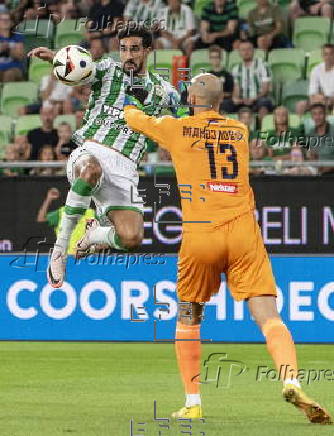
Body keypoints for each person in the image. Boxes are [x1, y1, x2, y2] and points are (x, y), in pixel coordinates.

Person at [120, 73, 332, 423]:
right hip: (243, 232)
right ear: (221, 101)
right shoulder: (239, 131)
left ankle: (192, 402)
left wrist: (136, 98)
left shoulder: (177, 129)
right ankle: (290, 379)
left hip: (201, 234)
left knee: (189, 315)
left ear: (192, 99)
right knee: (269, 317)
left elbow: (132, 117)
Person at [28, 25, 181, 288]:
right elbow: (81, 66)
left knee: (131, 239)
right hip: (90, 152)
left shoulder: (164, 90)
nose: (128, 55)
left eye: (134, 49)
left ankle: (94, 234)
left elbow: (186, 114)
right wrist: (56, 56)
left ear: (148, 50)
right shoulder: (108, 69)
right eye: (123, 49)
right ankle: (60, 250)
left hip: (125, 170)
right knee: (90, 171)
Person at [37, 187, 97, 255]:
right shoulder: (62, 212)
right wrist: (48, 199)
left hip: (87, 257)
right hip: (64, 257)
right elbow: (41, 218)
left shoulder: (93, 214)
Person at [232, 39, 273, 118]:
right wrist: (236, 99)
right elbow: (236, 89)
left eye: (248, 49)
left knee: (264, 104)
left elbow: (265, 89)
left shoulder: (263, 65)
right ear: (239, 52)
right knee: (224, 105)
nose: (246, 52)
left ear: (253, 51)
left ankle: (262, 129)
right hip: (242, 101)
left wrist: (253, 99)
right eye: (243, 50)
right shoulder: (236, 69)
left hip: (259, 99)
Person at [307, 103, 334, 174]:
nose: (317, 117)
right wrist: (312, 157)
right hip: (316, 171)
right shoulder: (311, 133)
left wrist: (328, 168)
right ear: (312, 117)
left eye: (320, 113)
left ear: (326, 115)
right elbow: (312, 157)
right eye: (314, 114)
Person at [207, 45, 234, 113]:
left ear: (221, 58)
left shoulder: (227, 75)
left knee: (225, 103)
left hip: (224, 101)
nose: (215, 60)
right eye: (212, 57)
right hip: (210, 100)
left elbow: (230, 93)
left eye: (217, 57)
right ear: (210, 59)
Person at [0, 11, 24, 82]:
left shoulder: (17, 37)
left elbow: (20, 56)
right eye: (2, 19)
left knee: (9, 74)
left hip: (14, 68)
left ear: (12, 23)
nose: (5, 22)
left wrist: (8, 49)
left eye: (7, 20)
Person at [309, 44, 334, 109]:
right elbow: (312, 93)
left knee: (327, 103)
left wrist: (327, 98)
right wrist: (321, 98)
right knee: (301, 105)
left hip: (331, 100)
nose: (328, 57)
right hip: (319, 100)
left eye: (331, 54)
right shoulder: (316, 69)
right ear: (322, 56)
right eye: (326, 54)